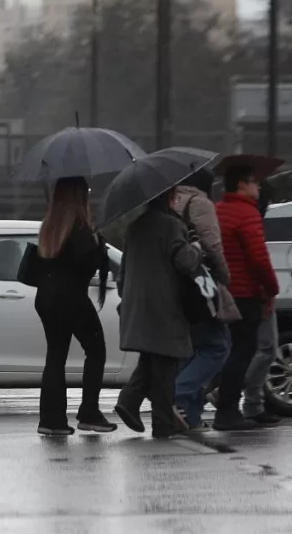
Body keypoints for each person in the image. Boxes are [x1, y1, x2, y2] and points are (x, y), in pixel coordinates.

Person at [114, 186, 203, 439]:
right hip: (164, 305)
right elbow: (185, 261)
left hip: (138, 302)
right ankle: (161, 422)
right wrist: (197, 247)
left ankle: (131, 402)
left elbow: (123, 271)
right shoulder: (172, 225)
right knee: (165, 363)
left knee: (153, 357)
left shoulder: (134, 227)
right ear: (169, 198)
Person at [33, 177, 115, 436]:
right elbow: (86, 265)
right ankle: (89, 412)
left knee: (55, 356)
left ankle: (51, 419)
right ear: (79, 196)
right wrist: (98, 246)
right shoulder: (80, 228)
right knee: (96, 351)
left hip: (47, 298)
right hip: (71, 298)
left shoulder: (50, 226)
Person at [171, 168, 239, 430]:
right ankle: (177, 395)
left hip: (176, 285)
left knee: (190, 350)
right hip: (199, 284)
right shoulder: (199, 203)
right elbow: (212, 244)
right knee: (218, 346)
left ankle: (190, 415)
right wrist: (224, 274)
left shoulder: (170, 201)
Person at [212, 163, 279, 431]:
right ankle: (227, 411)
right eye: (254, 182)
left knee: (231, 351)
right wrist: (271, 288)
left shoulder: (218, 210)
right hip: (246, 293)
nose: (258, 186)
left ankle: (228, 407)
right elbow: (258, 258)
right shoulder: (246, 213)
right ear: (241, 184)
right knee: (243, 352)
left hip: (224, 292)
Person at [240, 182, 283, 426]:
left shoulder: (225, 212)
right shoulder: (251, 219)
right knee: (266, 347)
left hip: (237, 291)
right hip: (255, 292)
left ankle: (241, 397)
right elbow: (258, 259)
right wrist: (270, 290)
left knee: (240, 348)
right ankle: (249, 401)